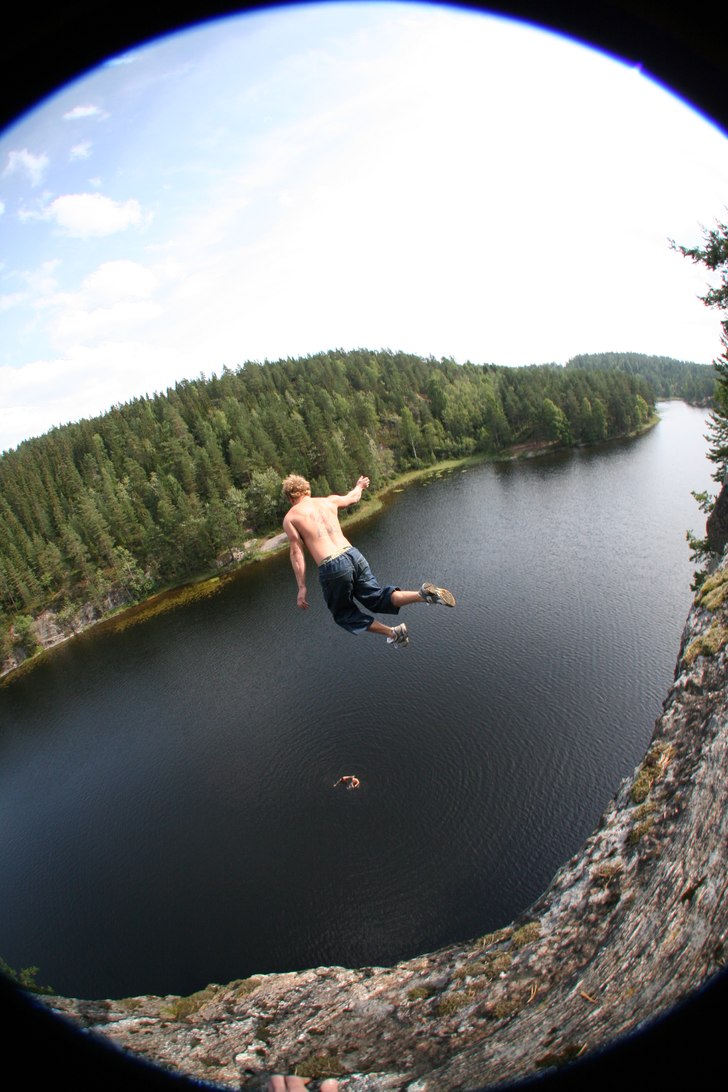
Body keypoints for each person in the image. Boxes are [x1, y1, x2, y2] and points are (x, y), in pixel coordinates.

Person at [281, 473, 455, 648]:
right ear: (308, 489)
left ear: (290, 497)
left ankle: (393, 633)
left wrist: (302, 587)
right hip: (353, 555)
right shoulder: (329, 501)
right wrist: (360, 486)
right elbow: (353, 498)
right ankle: (422, 595)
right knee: (376, 598)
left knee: (343, 614)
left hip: (332, 565)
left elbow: (296, 552)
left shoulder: (291, 518)